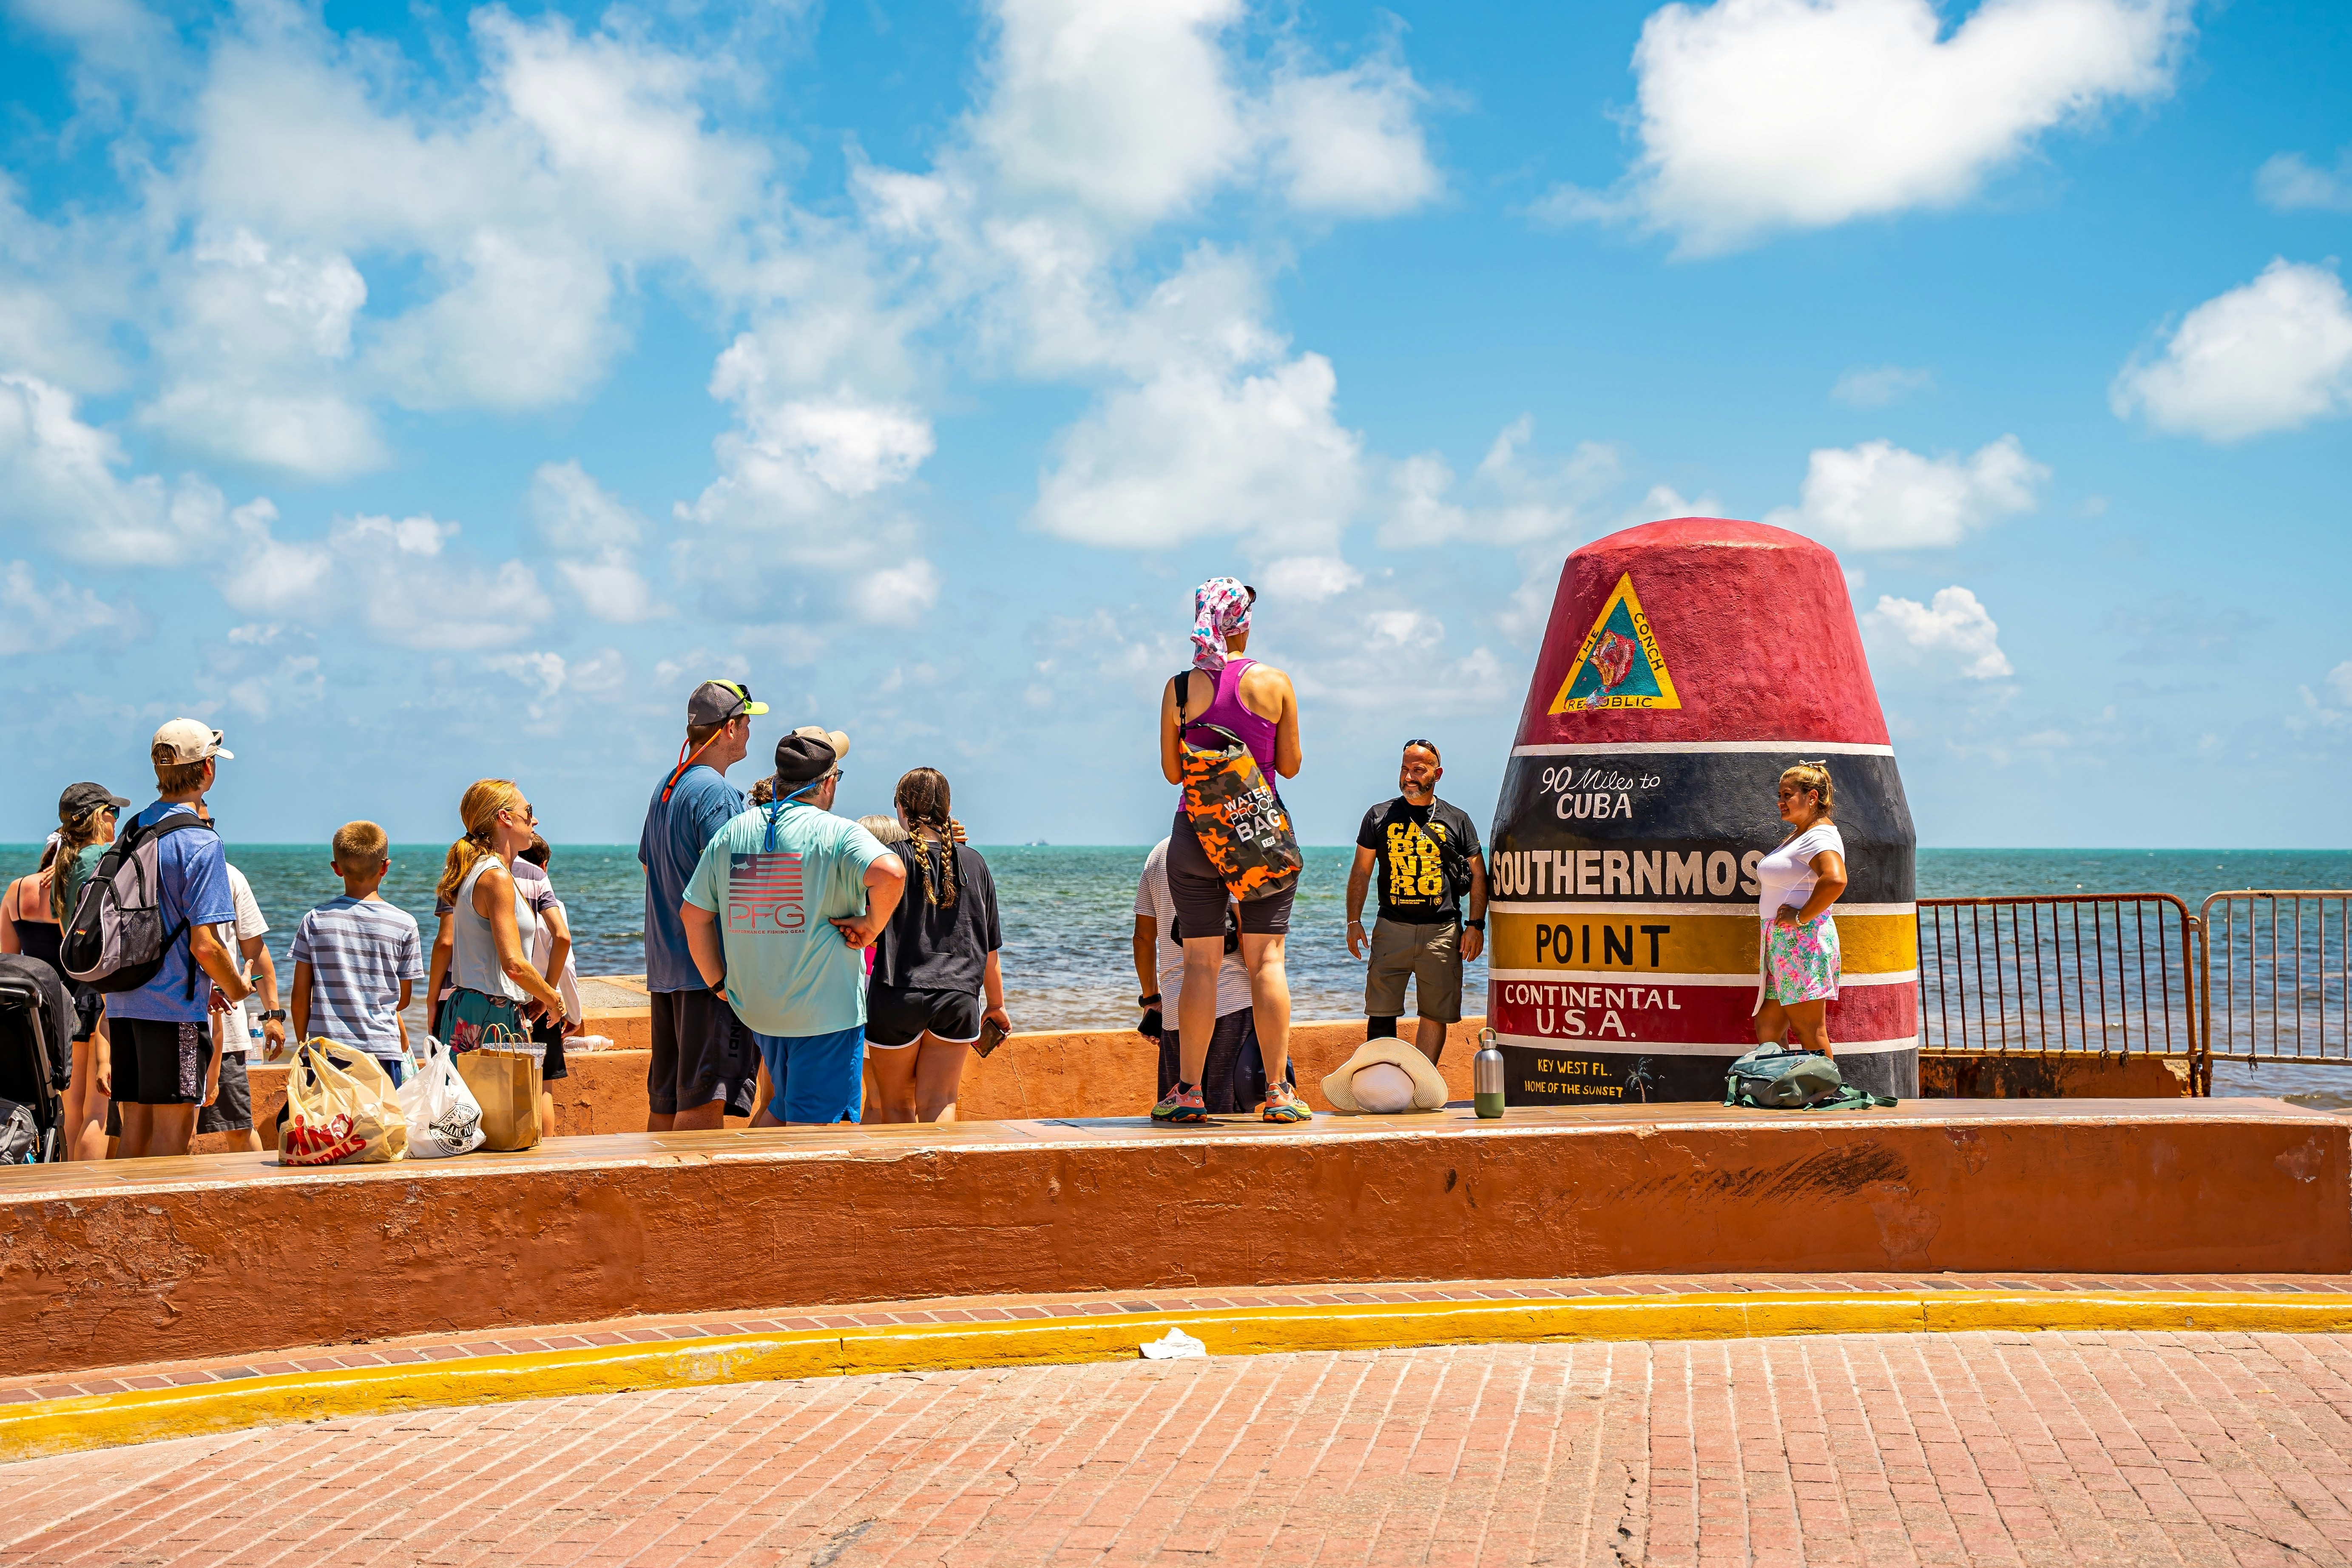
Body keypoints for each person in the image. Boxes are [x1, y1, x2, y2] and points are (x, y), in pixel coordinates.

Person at [681, 727, 905, 1127]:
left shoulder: (735, 831)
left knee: (781, 1106)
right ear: (829, 782)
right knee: (816, 1139)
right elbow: (891, 872)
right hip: (825, 1015)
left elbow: (693, 915)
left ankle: (745, 1187)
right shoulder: (837, 832)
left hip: (760, 1011)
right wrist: (871, 927)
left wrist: (719, 985)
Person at [1153, 577, 1308, 1125]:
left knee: (1201, 964)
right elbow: (1288, 766)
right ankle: (1277, 1092)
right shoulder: (1275, 683)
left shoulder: (1178, 689)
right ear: (1242, 622)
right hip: (1256, 836)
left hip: (1195, 834)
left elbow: (1174, 772)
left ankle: (1189, 1091)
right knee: (1267, 961)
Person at [108, 721, 253, 1159]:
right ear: (208, 769)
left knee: (135, 1132)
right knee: (174, 1136)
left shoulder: (134, 827)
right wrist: (238, 987)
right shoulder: (201, 842)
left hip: (124, 999)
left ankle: (125, 1223)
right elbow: (205, 944)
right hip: (173, 1008)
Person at [639, 680, 767, 1132]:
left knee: (670, 1100)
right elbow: (738, 882)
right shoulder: (716, 793)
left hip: (667, 967)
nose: (751, 732)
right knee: (702, 1102)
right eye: (748, 722)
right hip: (707, 974)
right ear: (730, 728)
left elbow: (651, 869)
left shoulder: (667, 786)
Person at [865, 769, 1008, 1124]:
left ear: (901, 809)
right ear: (948, 808)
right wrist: (997, 1004)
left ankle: (902, 1181)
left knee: (895, 1105)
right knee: (941, 1101)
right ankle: (937, 1180)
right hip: (959, 999)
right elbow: (989, 947)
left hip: (897, 994)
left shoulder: (887, 860)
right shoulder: (976, 862)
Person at [0, 783, 124, 1158]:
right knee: (96, 1112)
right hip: (85, 999)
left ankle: (64, 1181)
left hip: (37, 1012)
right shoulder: (86, 878)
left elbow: (10, 961)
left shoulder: (17, 891)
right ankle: (86, 1195)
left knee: (67, 1112)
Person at [1345, 739, 1488, 1064]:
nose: (1409, 777)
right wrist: (1354, 922)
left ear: (1436, 774)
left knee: (1436, 1012)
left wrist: (1476, 927)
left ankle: (1420, 1085)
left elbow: (1479, 876)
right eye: (1405, 769)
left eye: (1418, 770)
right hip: (1391, 927)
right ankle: (1382, 1085)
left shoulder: (1458, 819)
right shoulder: (1378, 816)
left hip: (1442, 932)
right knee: (1381, 1010)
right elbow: (1361, 872)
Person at [1133, 836, 1291, 1114]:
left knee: (1181, 1111)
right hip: (1234, 1007)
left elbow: (1144, 937)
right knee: (1227, 1121)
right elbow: (1244, 935)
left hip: (1177, 1009)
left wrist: (1151, 1000)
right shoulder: (1235, 848)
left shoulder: (1158, 855)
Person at [435, 780, 567, 1054]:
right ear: (505, 817)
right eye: (529, 812)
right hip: (491, 1015)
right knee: (497, 1098)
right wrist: (553, 998)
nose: (536, 821)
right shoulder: (495, 876)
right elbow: (514, 965)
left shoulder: (480, 869)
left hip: (477, 1008)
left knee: (470, 1097)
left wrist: (540, 996)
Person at [291, 822, 426, 1086]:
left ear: (337, 869)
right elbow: (404, 998)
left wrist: (304, 1044)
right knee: (383, 1126)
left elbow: (300, 995)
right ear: (385, 867)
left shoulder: (315, 920)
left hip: (327, 1052)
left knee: (331, 1126)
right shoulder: (405, 924)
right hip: (384, 1052)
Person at [1754, 761, 1849, 1057]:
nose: (1780, 802)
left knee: (1809, 1030)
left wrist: (1800, 916)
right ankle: (1782, 1089)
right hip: (1782, 943)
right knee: (1769, 1027)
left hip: (1801, 943)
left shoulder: (1818, 837)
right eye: (1780, 795)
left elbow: (1835, 879)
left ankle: (1827, 1093)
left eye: (1788, 795)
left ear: (1812, 798)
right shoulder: (1802, 833)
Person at [198, 838, 282, 1153]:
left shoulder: (230, 876)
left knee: (237, 1128)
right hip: (165, 1023)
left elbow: (255, 950)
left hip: (226, 1029)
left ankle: (264, 1199)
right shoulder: (153, 874)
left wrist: (272, 1015)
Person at [517, 834, 580, 1132]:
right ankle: (546, 1153)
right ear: (544, 867)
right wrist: (573, 1014)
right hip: (543, 1007)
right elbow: (565, 965)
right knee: (543, 1086)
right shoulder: (553, 908)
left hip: (511, 999)